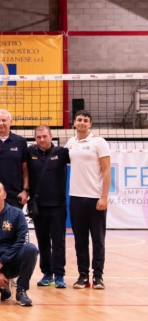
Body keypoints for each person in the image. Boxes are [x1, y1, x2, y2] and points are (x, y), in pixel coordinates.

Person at [66, 110, 111, 290]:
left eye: (86, 120)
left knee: (98, 240)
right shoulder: (71, 143)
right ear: (74, 123)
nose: (82, 122)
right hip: (76, 198)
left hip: (95, 198)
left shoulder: (99, 142)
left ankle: (98, 276)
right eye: (79, 120)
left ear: (90, 124)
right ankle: (83, 275)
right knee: (80, 240)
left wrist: (104, 196)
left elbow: (106, 170)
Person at [26, 125, 70, 288]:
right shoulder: (30, 152)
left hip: (58, 206)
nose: (42, 139)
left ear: (51, 137)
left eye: (45, 136)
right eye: (38, 137)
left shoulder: (62, 153)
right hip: (38, 206)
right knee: (43, 242)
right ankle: (47, 274)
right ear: (35, 139)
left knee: (58, 242)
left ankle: (59, 275)